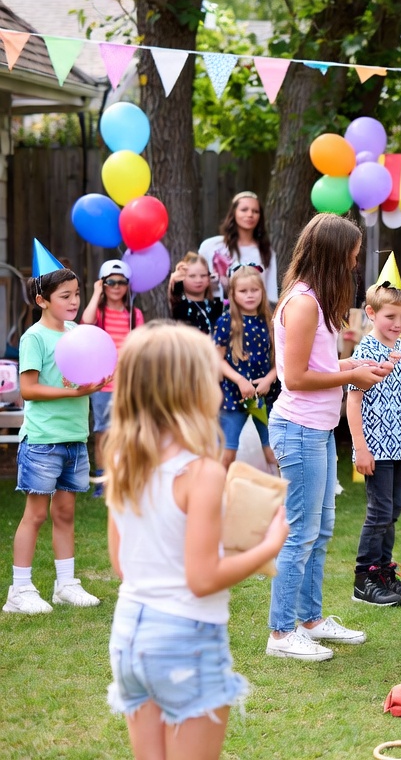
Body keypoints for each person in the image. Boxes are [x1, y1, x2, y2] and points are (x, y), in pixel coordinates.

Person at [105, 322, 289, 760]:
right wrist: (269, 545)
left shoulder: (122, 461)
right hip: (184, 636)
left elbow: (121, 565)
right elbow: (202, 578)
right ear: (188, 389)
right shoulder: (201, 472)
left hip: (129, 633)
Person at [265, 213, 388, 662]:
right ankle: (281, 634)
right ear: (334, 254)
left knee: (319, 532)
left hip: (316, 431)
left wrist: (353, 367)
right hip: (297, 431)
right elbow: (294, 378)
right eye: (353, 255)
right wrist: (352, 372)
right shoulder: (302, 303)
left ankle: (310, 621)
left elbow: (317, 366)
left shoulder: (316, 301)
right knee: (300, 534)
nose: (357, 263)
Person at [4, 261, 106, 614]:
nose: (74, 300)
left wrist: (94, 382)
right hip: (43, 440)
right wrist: (76, 393)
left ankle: (66, 584)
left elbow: (81, 376)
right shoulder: (34, 337)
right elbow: (28, 390)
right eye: (65, 295)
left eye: (76, 293)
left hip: (75, 438)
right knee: (35, 515)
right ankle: (19, 590)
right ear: (41, 300)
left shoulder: (76, 332)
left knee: (65, 513)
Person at [346, 281, 401, 607]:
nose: (398, 323)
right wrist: (360, 447)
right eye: (391, 315)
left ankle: (383, 573)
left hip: (400, 445)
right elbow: (353, 402)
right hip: (376, 447)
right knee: (378, 512)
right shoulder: (363, 352)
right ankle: (364, 579)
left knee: (391, 511)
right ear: (370, 313)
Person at [81, 259, 144, 498]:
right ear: (103, 284)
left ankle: (124, 479)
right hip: (103, 384)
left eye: (121, 282)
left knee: (129, 433)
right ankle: (102, 481)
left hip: (127, 385)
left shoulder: (133, 315)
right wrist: (96, 293)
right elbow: (85, 323)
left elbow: (139, 346)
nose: (116, 287)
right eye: (110, 282)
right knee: (104, 434)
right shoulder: (98, 312)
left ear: (128, 286)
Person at [213, 266, 278, 470]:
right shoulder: (225, 322)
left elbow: (280, 360)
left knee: (273, 451)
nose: (250, 295)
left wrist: (269, 378)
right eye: (243, 291)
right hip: (233, 395)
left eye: (254, 290)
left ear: (262, 291)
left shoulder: (270, 321)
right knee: (227, 453)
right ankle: (215, 497)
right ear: (233, 294)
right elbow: (218, 359)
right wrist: (240, 380)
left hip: (263, 396)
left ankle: (284, 498)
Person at [199, 191, 279, 302]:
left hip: (253, 314)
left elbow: (271, 293)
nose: (250, 214)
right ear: (233, 213)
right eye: (244, 210)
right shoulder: (211, 246)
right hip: (216, 313)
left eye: (255, 211)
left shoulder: (265, 251)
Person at [169, 251, 224, 335]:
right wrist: (175, 282)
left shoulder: (216, 305)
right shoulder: (179, 306)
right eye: (192, 276)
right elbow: (174, 295)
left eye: (203, 275)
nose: (198, 280)